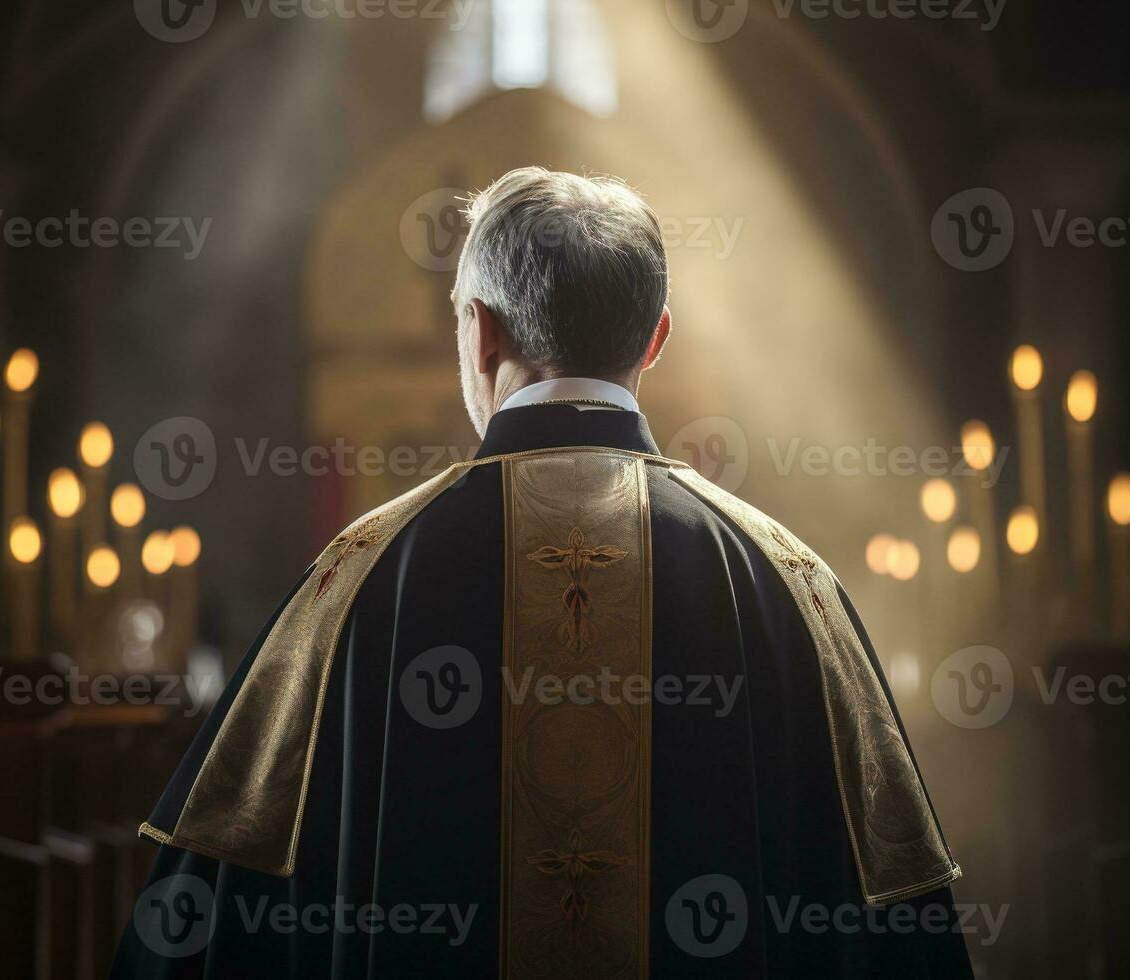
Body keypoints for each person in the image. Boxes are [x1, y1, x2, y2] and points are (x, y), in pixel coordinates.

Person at [111, 167, 973, 978]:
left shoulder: (355, 578)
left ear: (480, 331)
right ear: (656, 337)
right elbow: (895, 921)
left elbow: (208, 917)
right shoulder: (789, 581)